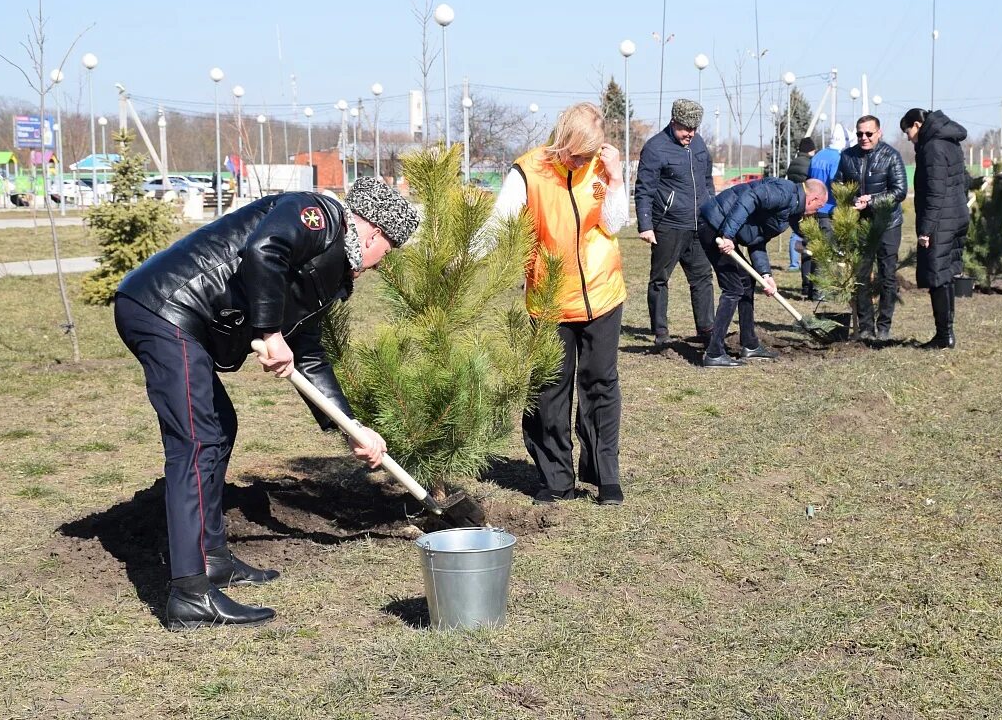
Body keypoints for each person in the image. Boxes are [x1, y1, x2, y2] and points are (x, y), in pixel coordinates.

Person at [114, 177, 419, 630]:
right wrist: (270, 332)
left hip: (181, 317)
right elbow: (264, 251)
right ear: (373, 231)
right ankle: (191, 595)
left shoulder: (331, 275)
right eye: (387, 252)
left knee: (220, 429)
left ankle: (213, 558)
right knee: (196, 442)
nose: (380, 265)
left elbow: (309, 354)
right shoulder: (317, 215)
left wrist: (353, 427)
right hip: (165, 306)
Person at [490, 102, 630, 507]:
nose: (581, 161)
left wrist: (617, 178)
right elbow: (500, 224)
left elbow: (613, 223)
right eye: (577, 153)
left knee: (600, 384)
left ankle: (605, 475)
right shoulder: (527, 171)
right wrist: (462, 261)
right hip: (550, 300)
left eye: (590, 154)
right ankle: (555, 477)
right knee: (550, 390)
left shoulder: (600, 168)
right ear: (562, 139)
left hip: (602, 293)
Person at [697, 177, 829, 366]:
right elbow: (750, 196)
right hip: (714, 226)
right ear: (814, 199)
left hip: (722, 228)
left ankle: (749, 345)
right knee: (733, 288)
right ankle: (714, 353)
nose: (814, 213)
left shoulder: (789, 210)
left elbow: (756, 241)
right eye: (818, 208)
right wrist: (728, 234)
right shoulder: (785, 193)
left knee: (746, 282)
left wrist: (766, 275)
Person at [634, 98, 715, 349]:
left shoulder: (699, 144)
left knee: (703, 278)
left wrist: (712, 211)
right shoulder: (655, 148)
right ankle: (661, 332)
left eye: (693, 129)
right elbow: (643, 190)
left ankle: (707, 329)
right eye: (684, 129)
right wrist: (645, 225)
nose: (689, 134)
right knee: (660, 279)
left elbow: (707, 179)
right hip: (667, 225)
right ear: (673, 122)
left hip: (698, 225)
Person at [901, 108, 970, 349]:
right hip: (956, 215)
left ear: (918, 125)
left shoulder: (932, 148)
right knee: (947, 274)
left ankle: (944, 336)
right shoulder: (949, 142)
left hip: (941, 220)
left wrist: (926, 230)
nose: (908, 137)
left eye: (907, 131)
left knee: (937, 276)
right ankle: (946, 333)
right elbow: (964, 179)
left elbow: (934, 192)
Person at [833, 114, 908, 340]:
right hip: (861, 224)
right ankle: (866, 327)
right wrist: (849, 200)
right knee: (861, 275)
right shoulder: (847, 156)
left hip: (887, 224)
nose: (863, 138)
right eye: (859, 134)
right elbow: (837, 184)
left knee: (887, 276)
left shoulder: (891, 156)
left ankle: (884, 326)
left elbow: (899, 191)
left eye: (868, 133)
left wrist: (872, 201)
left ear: (879, 133)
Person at [802, 125, 847, 299]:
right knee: (826, 252)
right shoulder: (837, 158)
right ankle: (821, 292)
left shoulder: (818, 155)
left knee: (815, 250)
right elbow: (836, 185)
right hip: (829, 209)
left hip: (814, 208)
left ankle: (811, 287)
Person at [784, 136, 815, 270]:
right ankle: (806, 264)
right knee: (806, 235)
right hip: (806, 200)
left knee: (795, 233)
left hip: (794, 199)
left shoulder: (794, 163)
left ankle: (793, 263)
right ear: (811, 150)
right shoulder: (810, 163)